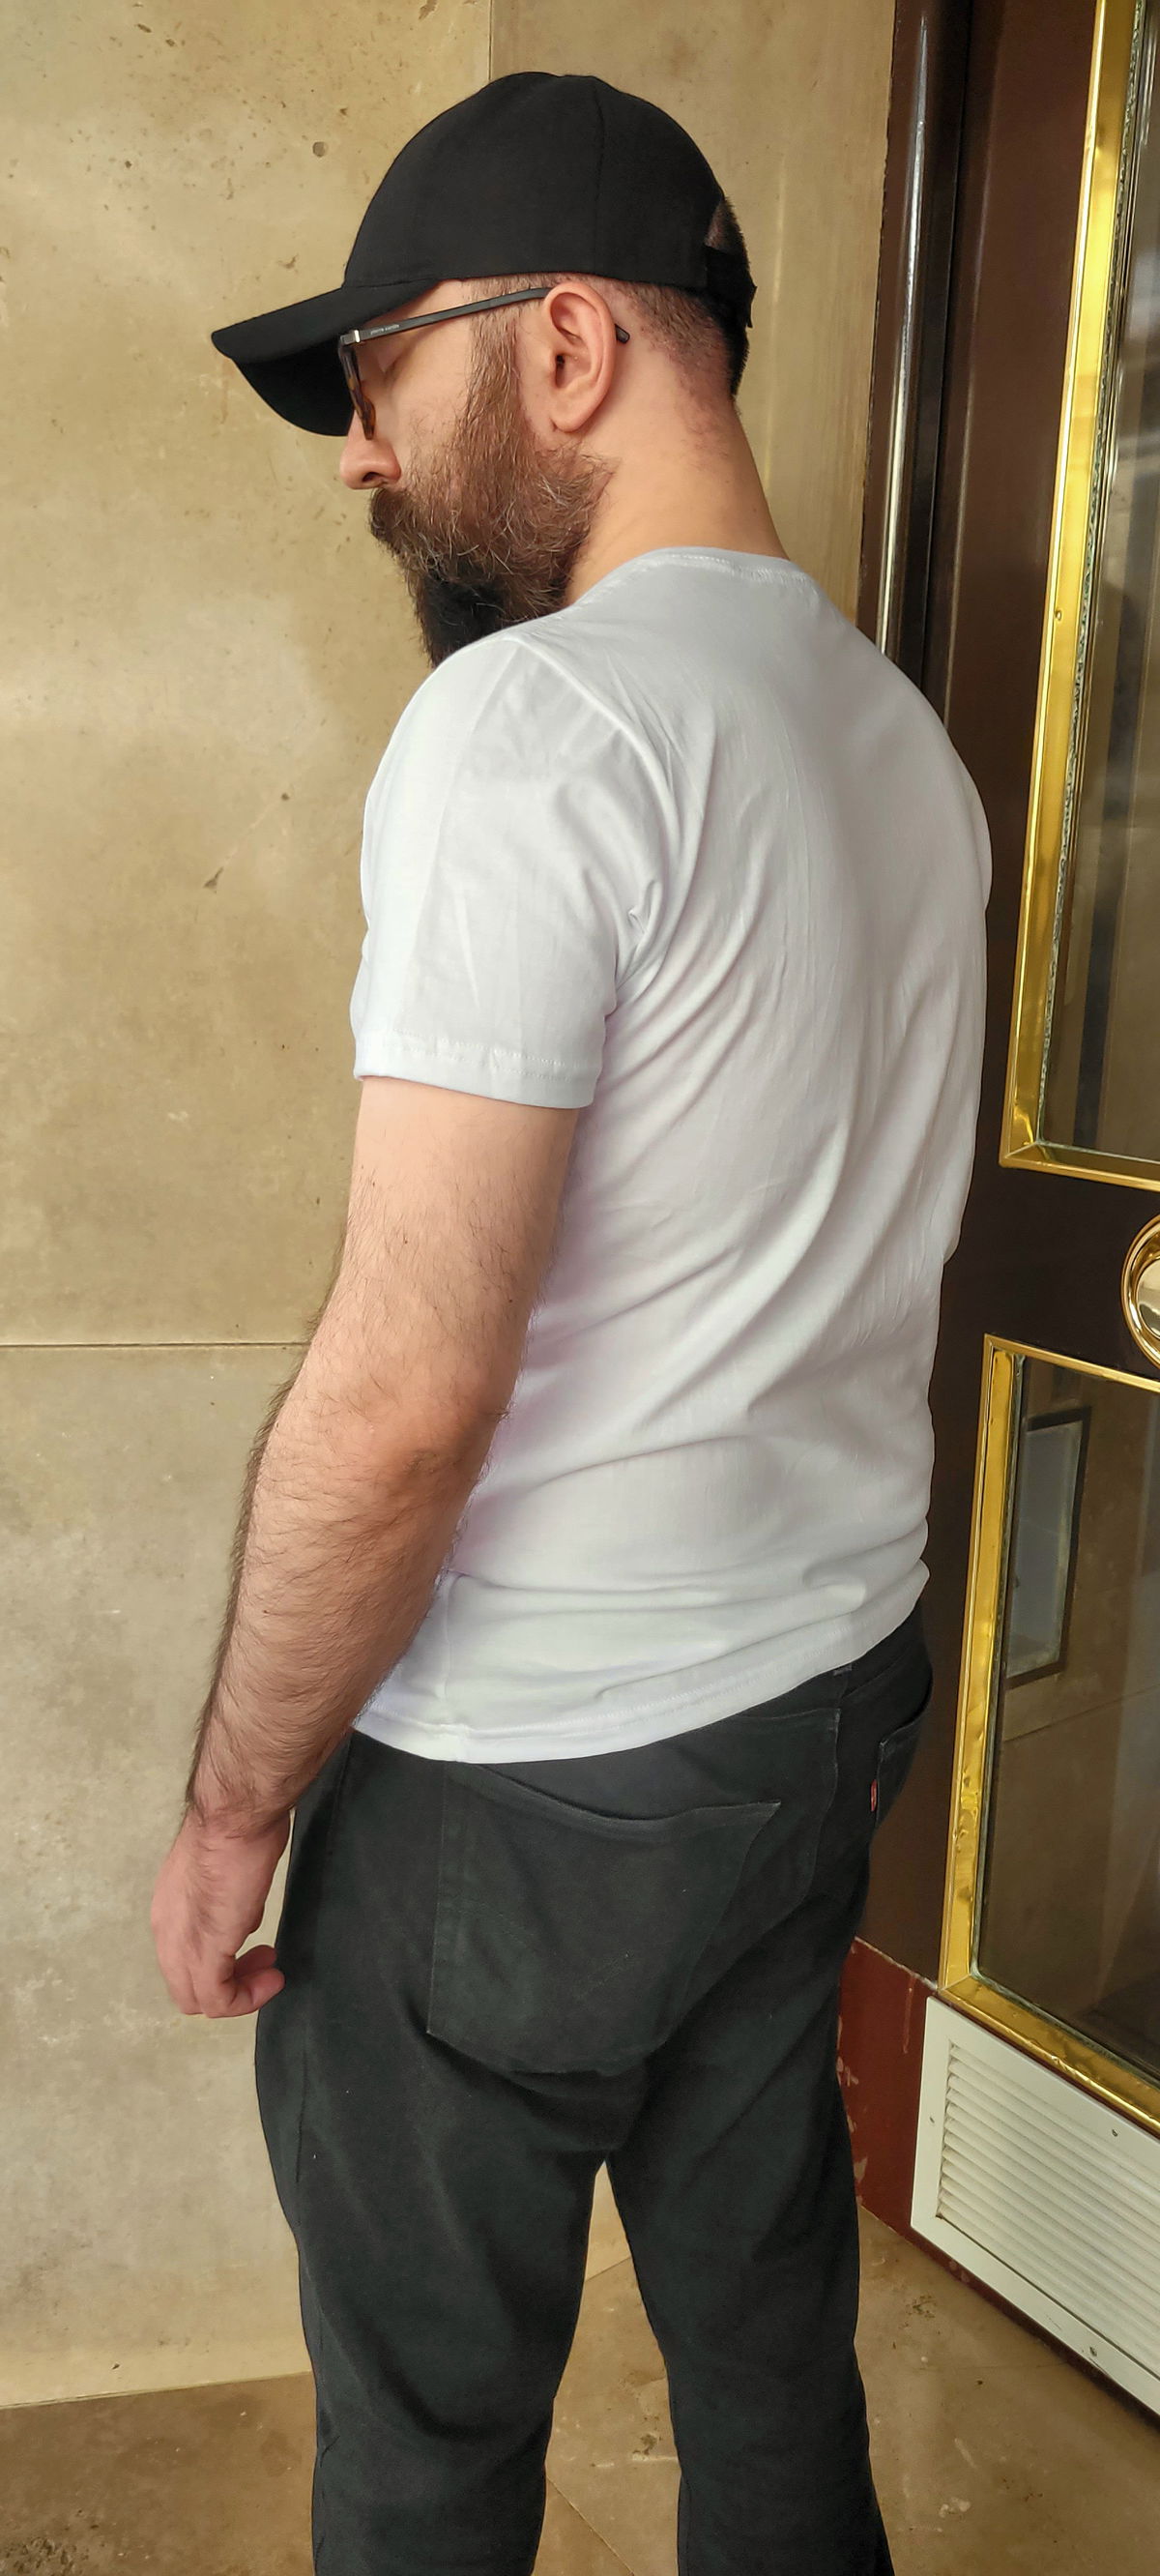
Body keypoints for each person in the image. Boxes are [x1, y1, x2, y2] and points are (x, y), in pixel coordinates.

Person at [150, 67, 990, 2576]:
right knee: (767, 2333)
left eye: (377, 369)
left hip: (528, 1778)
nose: (357, 448)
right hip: (813, 1701)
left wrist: (235, 1806)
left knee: (430, 2438)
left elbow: (407, 1395)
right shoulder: (903, 747)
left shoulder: (537, 726)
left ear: (570, 344)